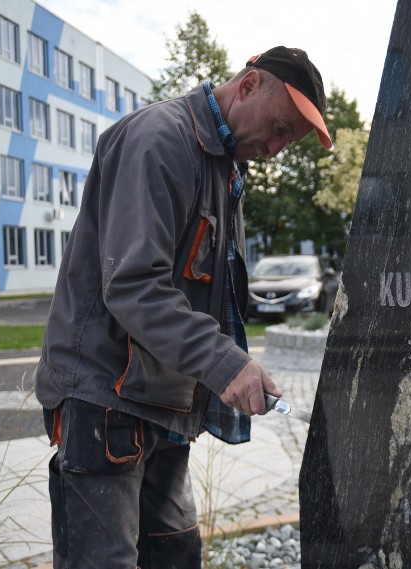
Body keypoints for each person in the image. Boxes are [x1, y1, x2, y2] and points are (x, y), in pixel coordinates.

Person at [34, 46, 332, 569]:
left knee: (176, 556)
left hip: (162, 404)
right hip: (105, 400)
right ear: (247, 86)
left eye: (291, 140)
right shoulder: (159, 139)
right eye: (281, 128)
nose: (278, 148)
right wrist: (226, 364)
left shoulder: (223, 168)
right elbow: (131, 285)